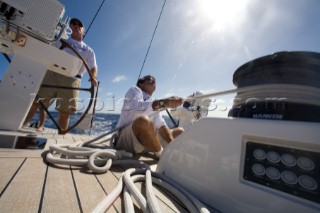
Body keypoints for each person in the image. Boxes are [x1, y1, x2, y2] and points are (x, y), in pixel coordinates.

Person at [23, 18, 98, 132]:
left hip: (73, 79)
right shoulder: (59, 40)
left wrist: (93, 77)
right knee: (36, 103)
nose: (76, 25)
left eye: (79, 25)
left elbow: (93, 67)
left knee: (65, 112)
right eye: (73, 23)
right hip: (53, 74)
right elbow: (46, 49)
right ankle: (21, 125)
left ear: (84, 31)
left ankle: (60, 137)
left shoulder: (89, 51)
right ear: (70, 27)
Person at [114, 75, 184, 159]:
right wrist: (164, 103)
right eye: (150, 79)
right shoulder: (134, 90)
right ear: (141, 83)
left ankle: (168, 149)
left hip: (145, 142)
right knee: (143, 121)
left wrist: (171, 144)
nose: (154, 80)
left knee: (179, 132)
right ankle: (162, 156)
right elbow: (137, 111)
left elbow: (161, 125)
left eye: (154, 80)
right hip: (126, 140)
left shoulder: (152, 101)